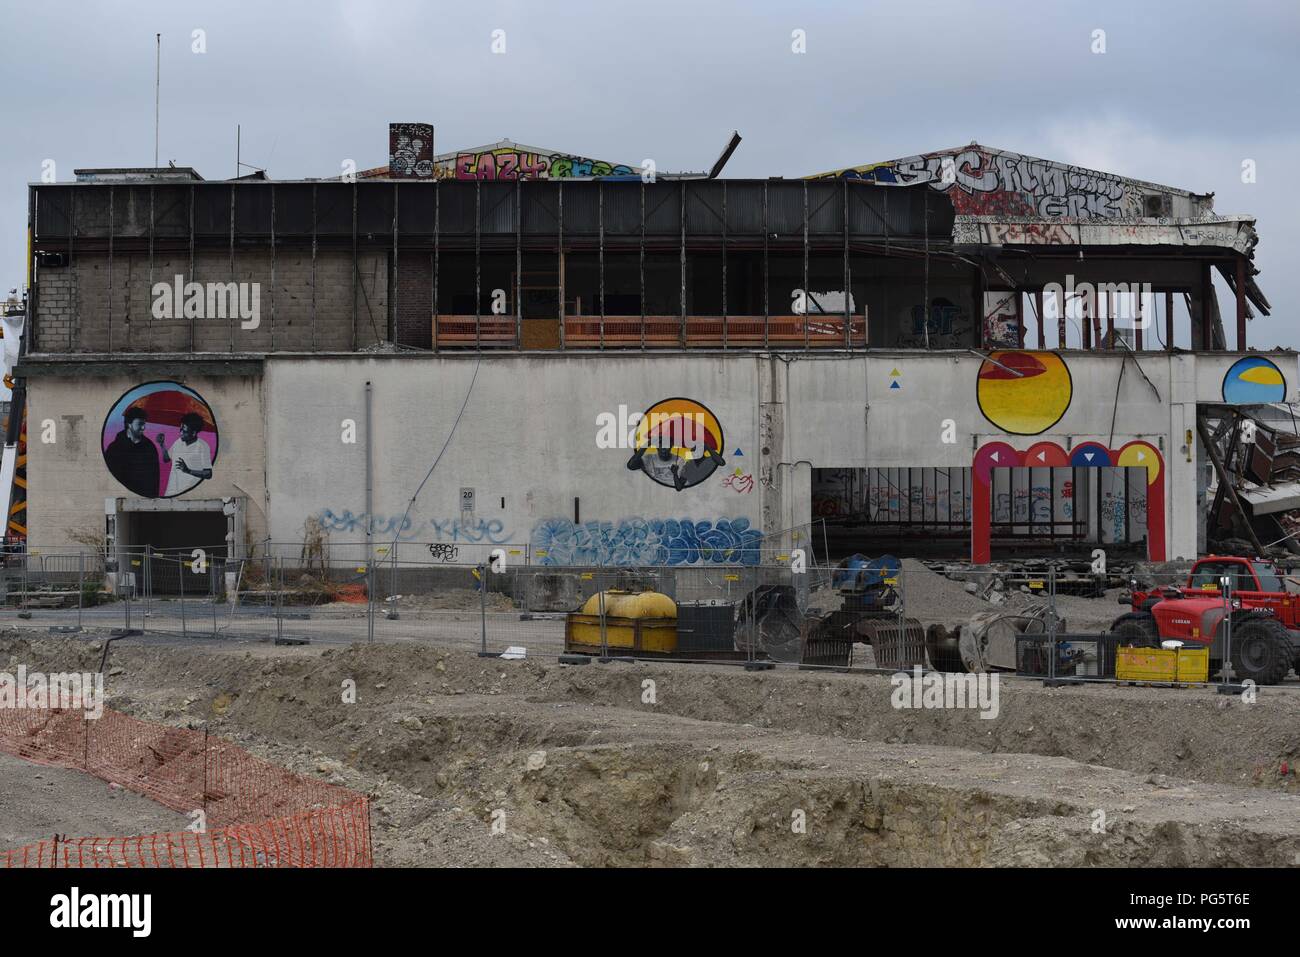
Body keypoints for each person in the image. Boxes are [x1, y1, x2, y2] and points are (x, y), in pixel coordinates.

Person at [103, 406, 160, 497]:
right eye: (140, 424)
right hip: (121, 498)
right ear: (129, 424)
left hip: (145, 501)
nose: (143, 428)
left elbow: (154, 479)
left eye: (144, 424)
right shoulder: (114, 448)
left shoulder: (150, 447)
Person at [159, 412, 213, 496]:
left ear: (194, 433)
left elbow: (208, 473)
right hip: (171, 492)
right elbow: (166, 459)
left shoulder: (202, 446)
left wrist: (188, 470)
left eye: (184, 431)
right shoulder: (178, 442)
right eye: (180, 429)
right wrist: (162, 444)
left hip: (189, 494)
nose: (180, 433)